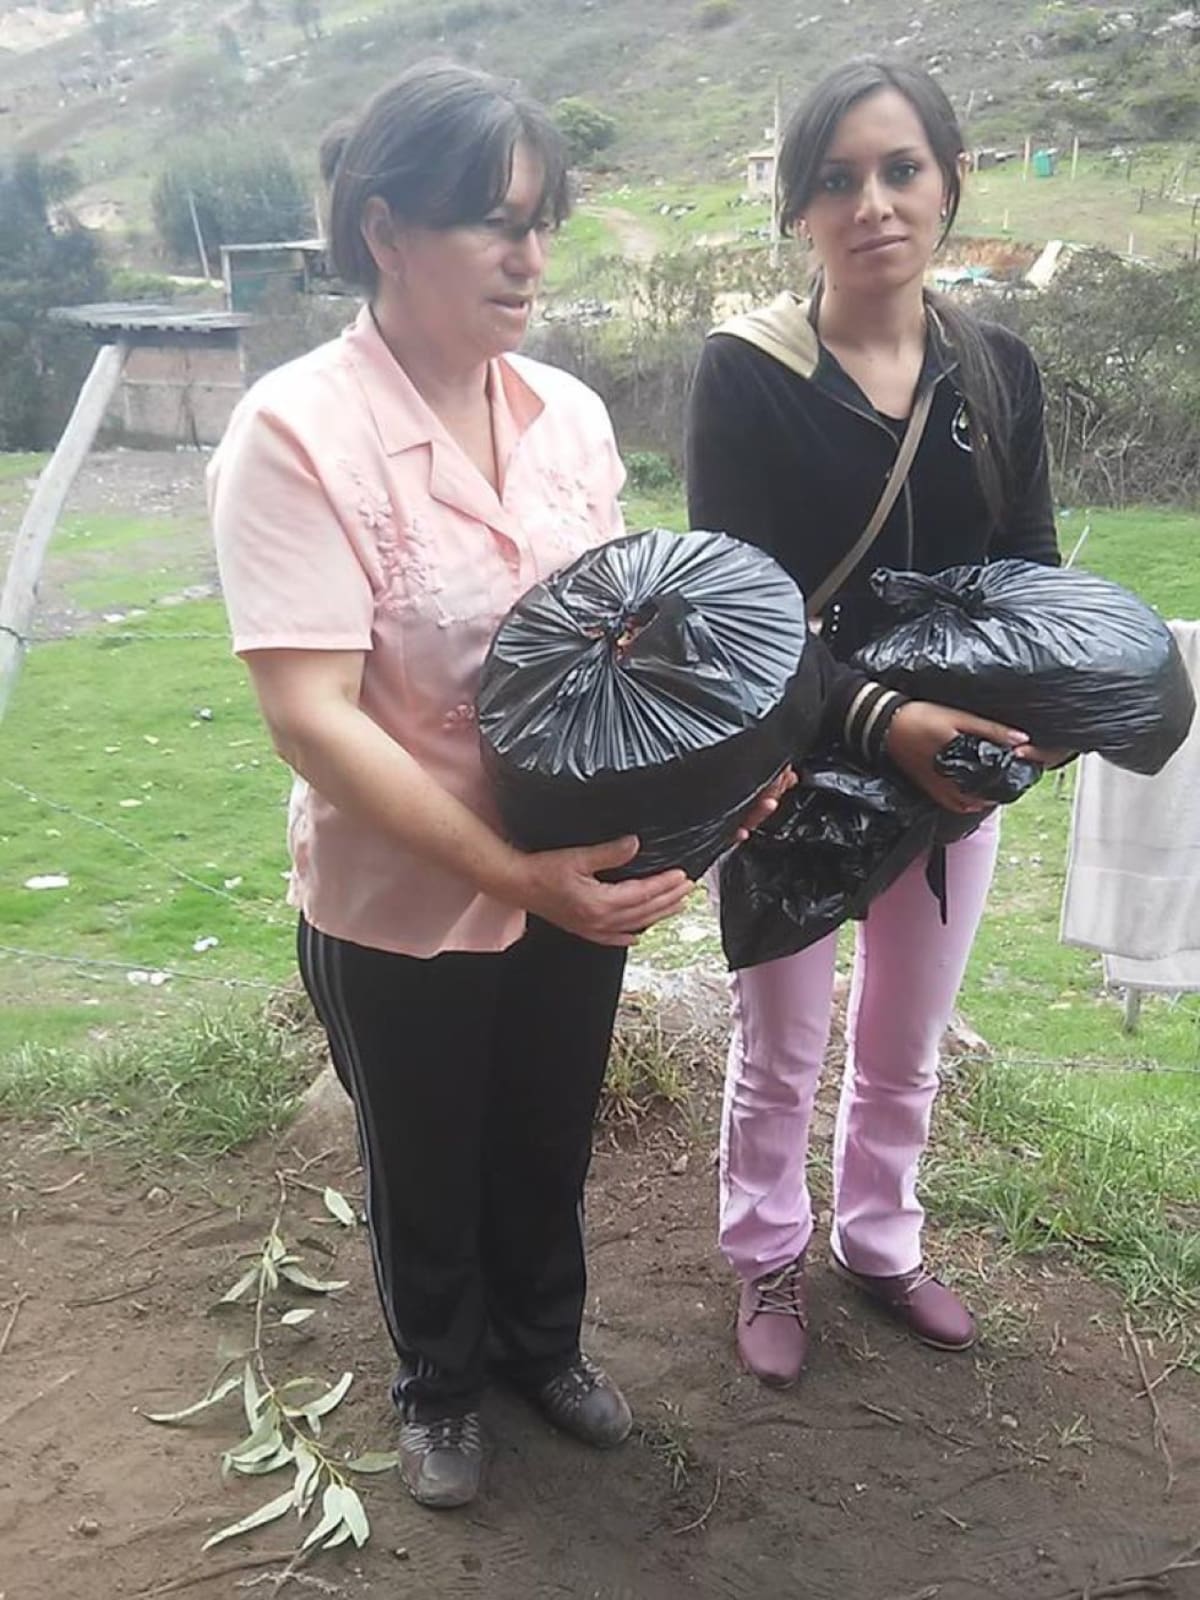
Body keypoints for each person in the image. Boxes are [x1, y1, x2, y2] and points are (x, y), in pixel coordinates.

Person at [209, 63, 791, 1511]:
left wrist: (717, 789)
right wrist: (503, 869)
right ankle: (441, 1384)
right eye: (491, 222)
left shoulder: (570, 422)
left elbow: (623, 654)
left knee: (545, 1119)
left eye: (542, 220)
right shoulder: (297, 432)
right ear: (387, 229)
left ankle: (544, 1348)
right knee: (425, 1149)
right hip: (401, 892)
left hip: (572, 869)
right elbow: (310, 717)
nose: (529, 256)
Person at [685, 57, 1063, 1389]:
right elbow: (740, 612)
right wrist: (889, 718)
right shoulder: (747, 373)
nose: (873, 203)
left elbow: (1030, 578)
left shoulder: (997, 367)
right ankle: (768, 1249)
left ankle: (879, 1237)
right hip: (790, 759)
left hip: (951, 768)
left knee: (905, 1036)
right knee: (783, 1040)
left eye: (901, 169)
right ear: (800, 210)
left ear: (950, 184)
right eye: (836, 178)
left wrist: (1031, 728)